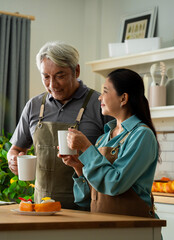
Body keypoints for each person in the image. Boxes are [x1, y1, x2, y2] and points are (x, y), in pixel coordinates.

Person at [7, 41, 111, 209]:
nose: (53, 85)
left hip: (88, 207)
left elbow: (115, 159)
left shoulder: (100, 104)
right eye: (46, 77)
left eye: (60, 76)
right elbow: (16, 149)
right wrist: (13, 159)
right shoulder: (33, 106)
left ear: (76, 71)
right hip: (42, 207)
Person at [61, 68, 159, 217]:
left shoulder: (142, 135)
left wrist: (87, 148)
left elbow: (115, 184)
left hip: (135, 229)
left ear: (123, 98)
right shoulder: (103, 139)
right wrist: (79, 168)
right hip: (104, 228)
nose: (99, 98)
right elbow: (88, 200)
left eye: (105, 91)